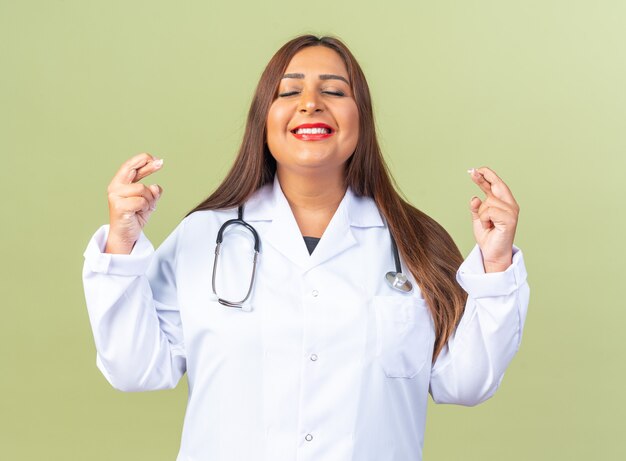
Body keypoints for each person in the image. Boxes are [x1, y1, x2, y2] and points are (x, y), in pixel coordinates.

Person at [83, 34, 529, 461]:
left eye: (333, 91)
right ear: (264, 119)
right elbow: (134, 369)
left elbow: (465, 383)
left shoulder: (414, 241)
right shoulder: (203, 238)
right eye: (289, 91)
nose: (310, 102)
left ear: (362, 117)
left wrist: (495, 265)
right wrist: (121, 245)